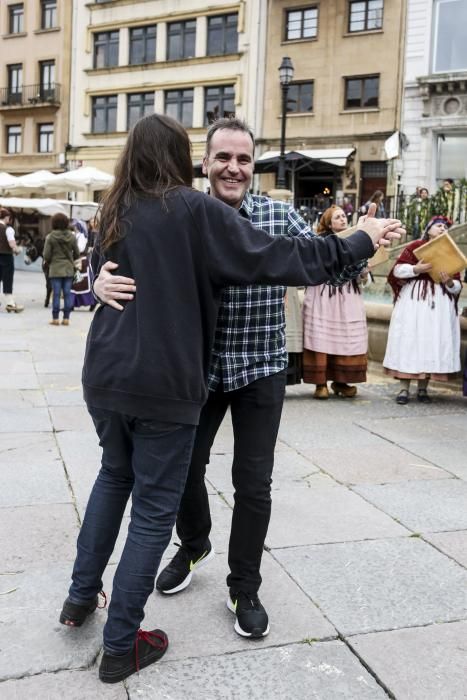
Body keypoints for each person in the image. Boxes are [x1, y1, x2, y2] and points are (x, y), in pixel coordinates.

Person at [93, 116, 403, 644]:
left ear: (252, 166)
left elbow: (323, 264)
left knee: (253, 484)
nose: (233, 167)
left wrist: (361, 244)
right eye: (223, 158)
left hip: (260, 368)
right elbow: (125, 250)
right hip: (201, 371)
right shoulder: (184, 212)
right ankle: (193, 545)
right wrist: (98, 274)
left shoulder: (277, 216)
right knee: (184, 475)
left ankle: (245, 586)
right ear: (205, 164)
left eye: (243, 159)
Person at [383, 215, 462, 404]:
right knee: (410, 339)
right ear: (429, 229)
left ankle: (423, 389)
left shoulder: (450, 251)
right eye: (439, 226)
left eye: (445, 227)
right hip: (414, 301)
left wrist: (449, 281)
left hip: (439, 302)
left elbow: (457, 286)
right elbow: (396, 271)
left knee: (431, 341)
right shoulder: (414, 247)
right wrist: (416, 269)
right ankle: (403, 389)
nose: (443, 229)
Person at [302, 206, 371, 399]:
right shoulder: (320, 241)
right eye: (337, 217)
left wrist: (364, 272)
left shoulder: (357, 239)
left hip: (348, 294)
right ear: (329, 222)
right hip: (323, 293)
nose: (342, 219)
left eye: (344, 216)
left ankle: (341, 381)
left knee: (346, 337)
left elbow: (364, 275)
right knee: (320, 336)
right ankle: (320, 383)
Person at [43, 213, 80, 326]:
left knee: (57, 294)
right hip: (68, 269)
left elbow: (46, 255)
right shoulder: (72, 236)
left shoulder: (50, 237)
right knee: (67, 294)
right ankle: (66, 319)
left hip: (55, 269)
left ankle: (55, 319)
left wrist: (51, 261)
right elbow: (77, 254)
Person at [0, 208, 24, 313]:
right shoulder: (8, 229)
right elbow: (12, 244)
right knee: (7, 279)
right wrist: (18, 250)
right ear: (7, 217)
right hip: (6, 257)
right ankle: (10, 303)